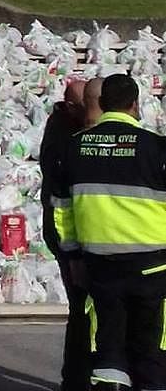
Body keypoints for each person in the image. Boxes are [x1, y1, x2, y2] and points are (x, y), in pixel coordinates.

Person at [53, 74, 166, 391]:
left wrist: (73, 256)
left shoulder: (74, 147)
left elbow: (62, 209)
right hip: (153, 267)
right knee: (151, 348)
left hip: (100, 266)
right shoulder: (157, 148)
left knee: (108, 347)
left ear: (101, 104)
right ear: (135, 105)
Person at [40, 79, 91, 391]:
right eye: (87, 106)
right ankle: (76, 379)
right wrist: (72, 253)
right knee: (82, 309)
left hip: (85, 234)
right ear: (72, 107)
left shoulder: (68, 129)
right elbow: (61, 198)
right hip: (69, 236)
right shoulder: (64, 136)